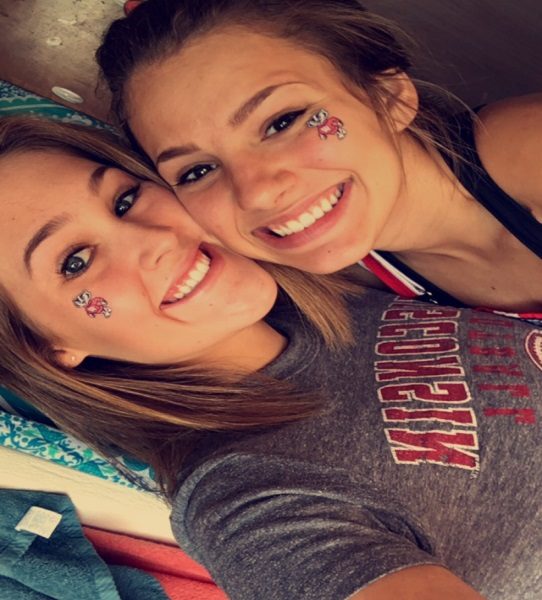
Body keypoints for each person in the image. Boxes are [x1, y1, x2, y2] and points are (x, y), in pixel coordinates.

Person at [1, 115, 541, 600]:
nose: (157, 239)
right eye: (75, 261)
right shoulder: (244, 503)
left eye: (124, 201)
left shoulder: (331, 276)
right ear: (50, 348)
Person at [97, 0, 542, 325]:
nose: (256, 192)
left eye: (282, 122)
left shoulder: (526, 150)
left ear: (390, 97)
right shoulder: (347, 291)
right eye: (197, 171)